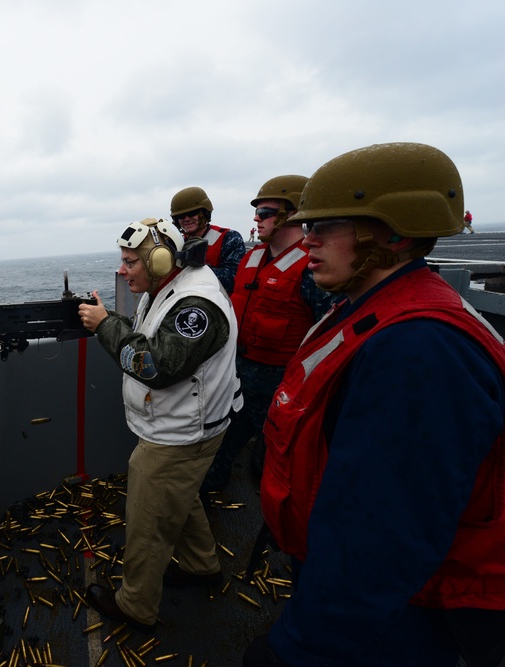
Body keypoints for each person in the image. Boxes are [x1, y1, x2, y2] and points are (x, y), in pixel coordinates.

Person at [243, 143, 505, 667]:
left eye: (327, 226)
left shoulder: (418, 349)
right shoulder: (371, 306)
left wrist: (302, 646)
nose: (308, 240)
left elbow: (380, 542)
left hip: (402, 616)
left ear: (396, 234)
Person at [78, 218, 243, 632]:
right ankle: (201, 565)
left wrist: (105, 325)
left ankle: (136, 605)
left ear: (160, 260)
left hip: (179, 435)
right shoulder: (167, 288)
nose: (122, 270)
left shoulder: (196, 304)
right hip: (180, 426)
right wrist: (111, 319)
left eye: (130, 261)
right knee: (178, 498)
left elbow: (156, 365)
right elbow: (151, 335)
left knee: (148, 522)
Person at [202, 175, 335, 492]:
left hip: (280, 388)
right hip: (238, 378)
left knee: (278, 465)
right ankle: (204, 505)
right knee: (217, 452)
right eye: (257, 212)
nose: (256, 219)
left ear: (293, 215)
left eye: (265, 213)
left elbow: (328, 338)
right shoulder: (251, 258)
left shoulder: (311, 268)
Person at [170, 186, 246, 293]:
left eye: (192, 213)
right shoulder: (177, 243)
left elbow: (234, 278)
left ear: (204, 213)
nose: (186, 219)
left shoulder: (229, 238)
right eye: (181, 216)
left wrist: (195, 270)